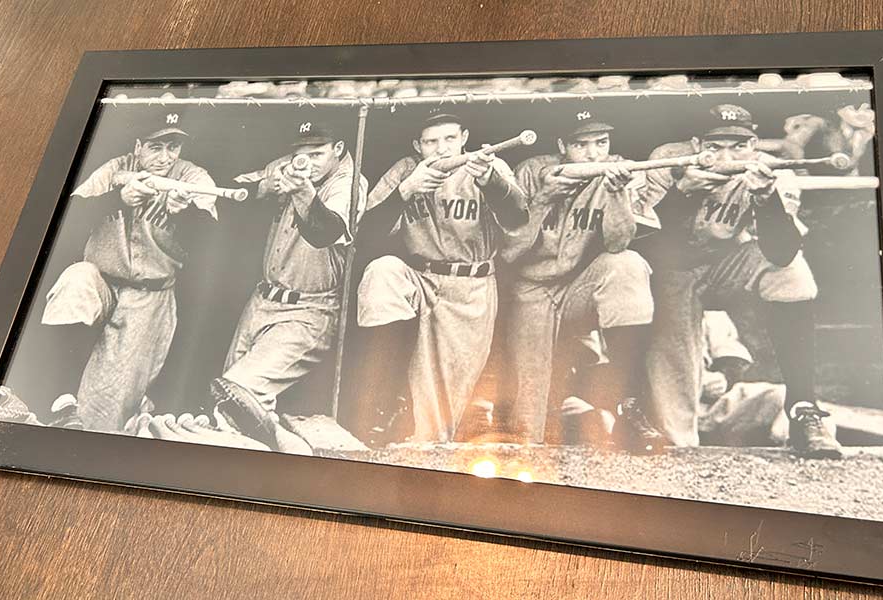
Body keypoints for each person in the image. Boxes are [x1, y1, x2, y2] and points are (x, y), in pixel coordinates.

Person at [631, 104, 842, 458]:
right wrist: (682, 192)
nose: (728, 156)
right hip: (671, 271)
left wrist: (765, 198)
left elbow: (782, 253)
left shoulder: (766, 171)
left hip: (725, 265)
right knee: (674, 418)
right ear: (696, 144)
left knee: (794, 274)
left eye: (738, 146)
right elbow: (641, 246)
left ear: (754, 144)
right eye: (714, 147)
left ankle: (804, 410)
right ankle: (679, 451)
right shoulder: (667, 162)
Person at [350, 109, 527, 444]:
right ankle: (387, 401)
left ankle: (426, 437)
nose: (442, 149)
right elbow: (364, 236)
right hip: (419, 277)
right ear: (418, 145)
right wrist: (405, 191)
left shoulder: (487, 164)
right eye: (431, 141)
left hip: (470, 286)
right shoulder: (406, 171)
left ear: (464, 138)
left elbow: (519, 220)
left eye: (449, 139)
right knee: (382, 272)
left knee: (440, 419)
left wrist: (490, 182)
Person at [43, 109, 216, 432]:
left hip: (148, 297)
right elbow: (66, 217)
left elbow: (213, 240)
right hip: (102, 282)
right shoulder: (116, 169)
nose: (166, 157)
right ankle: (60, 393)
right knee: (76, 278)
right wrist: (117, 198)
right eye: (156, 147)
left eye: (173, 147)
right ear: (138, 146)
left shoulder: (192, 177)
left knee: (103, 414)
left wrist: (186, 213)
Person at [497, 108, 658, 451]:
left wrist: (617, 195)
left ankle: (628, 403)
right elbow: (507, 253)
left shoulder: (615, 170)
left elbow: (618, 243)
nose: (593, 154)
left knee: (628, 265)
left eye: (601, 142)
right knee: (529, 418)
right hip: (529, 289)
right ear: (562, 146)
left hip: (577, 285)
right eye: (581, 145)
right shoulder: (530, 171)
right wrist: (542, 201)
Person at [210, 120, 367, 453]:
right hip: (262, 301)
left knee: (242, 390)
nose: (307, 161)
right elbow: (226, 191)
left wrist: (302, 191)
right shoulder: (287, 167)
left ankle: (291, 455)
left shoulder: (348, 183)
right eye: (301, 153)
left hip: (309, 309)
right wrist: (267, 186)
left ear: (338, 150)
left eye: (317, 153)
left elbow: (324, 232)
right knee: (229, 406)